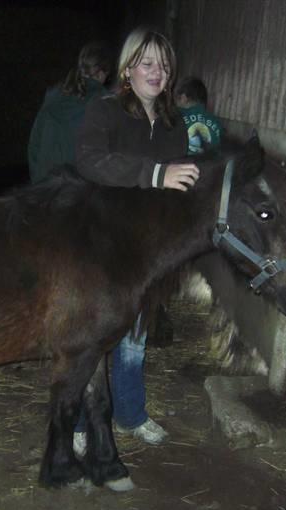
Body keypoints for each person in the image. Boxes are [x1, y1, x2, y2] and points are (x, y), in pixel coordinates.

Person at [73, 27, 200, 451]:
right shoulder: (104, 110)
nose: (157, 72)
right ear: (128, 68)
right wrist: (155, 174)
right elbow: (90, 161)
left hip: (146, 248)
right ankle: (76, 420)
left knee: (135, 337)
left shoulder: (172, 123)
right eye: (147, 63)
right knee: (91, 335)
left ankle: (129, 413)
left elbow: (180, 185)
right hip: (101, 240)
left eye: (164, 65)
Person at [27, 41, 111, 184]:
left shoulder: (52, 98)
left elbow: (34, 147)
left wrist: (38, 182)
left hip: (43, 191)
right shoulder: (105, 102)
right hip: (79, 194)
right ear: (102, 72)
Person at [175, 77, 222, 156]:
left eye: (176, 99)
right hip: (208, 166)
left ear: (183, 97)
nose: (175, 103)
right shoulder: (217, 123)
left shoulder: (175, 117)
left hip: (179, 165)